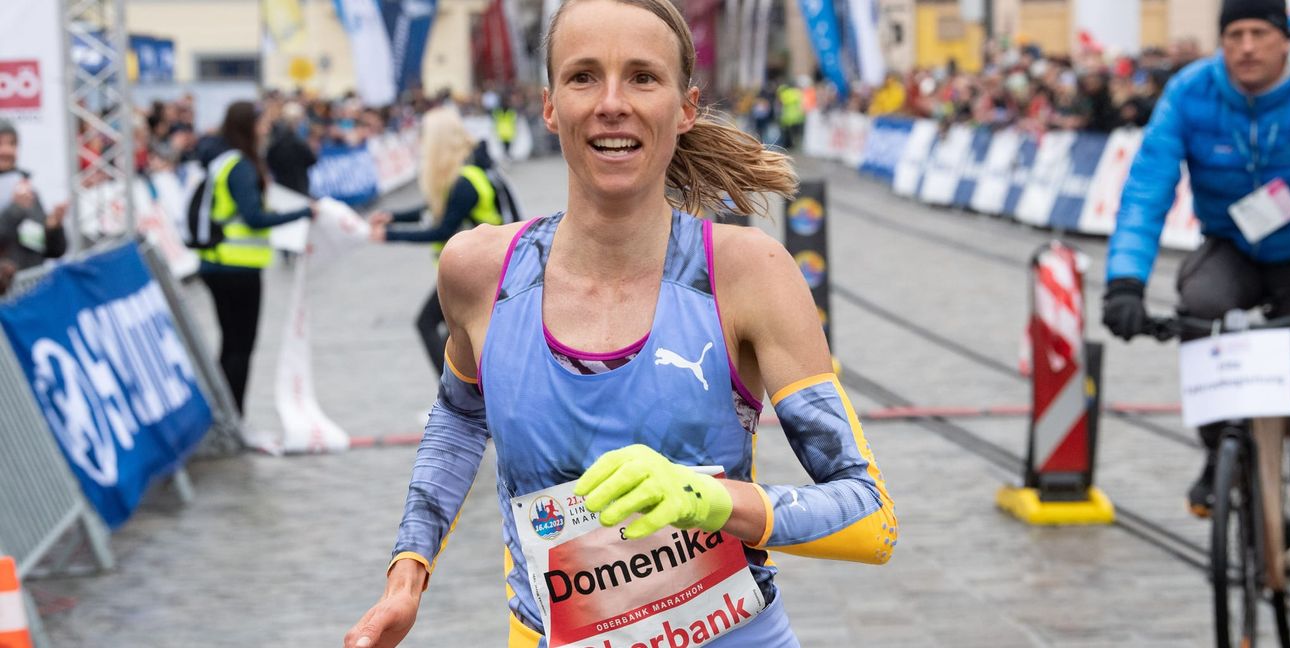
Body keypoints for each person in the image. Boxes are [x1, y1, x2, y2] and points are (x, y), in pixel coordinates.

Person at [344, 0, 897, 646]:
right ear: (549, 106)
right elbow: (461, 417)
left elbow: (872, 516)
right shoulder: (480, 271)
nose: (612, 102)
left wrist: (712, 502)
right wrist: (407, 573)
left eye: (642, 76)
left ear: (686, 107)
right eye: (583, 77)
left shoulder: (748, 274)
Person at [1103, 0, 1290, 517]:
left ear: (1286, 37)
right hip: (1230, 245)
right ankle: (1218, 451)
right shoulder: (1191, 91)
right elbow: (1146, 192)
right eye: (1234, 34)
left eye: (1259, 32)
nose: (1247, 47)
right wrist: (1124, 282)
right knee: (1201, 305)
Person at [367, 106, 521, 376]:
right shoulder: (474, 168)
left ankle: (455, 397)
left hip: (489, 270)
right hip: (500, 265)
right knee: (474, 336)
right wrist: (393, 217)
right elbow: (437, 210)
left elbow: (441, 229)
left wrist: (390, 235)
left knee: (427, 323)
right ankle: (471, 396)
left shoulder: (465, 182)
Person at [196, 101, 315, 415]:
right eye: (262, 123)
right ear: (248, 126)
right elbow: (252, 218)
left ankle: (225, 413)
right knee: (240, 347)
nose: (266, 129)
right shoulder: (240, 166)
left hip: (218, 262)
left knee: (230, 345)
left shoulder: (223, 160)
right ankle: (234, 414)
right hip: (237, 267)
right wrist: (303, 213)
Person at [0, 118, 68, 286]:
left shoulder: (26, 188)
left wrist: (53, 227)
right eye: (0, 143)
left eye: (12, 144)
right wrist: (14, 210)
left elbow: (52, 251)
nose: (7, 150)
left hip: (30, 292)